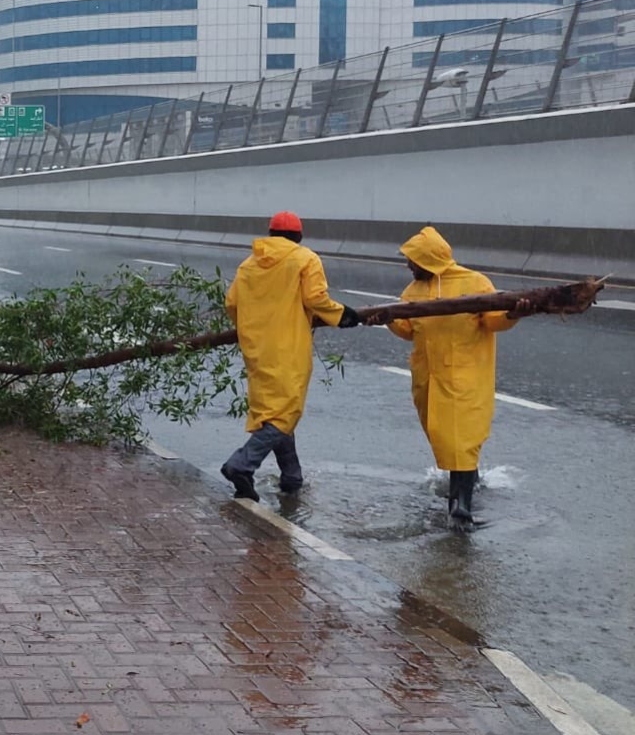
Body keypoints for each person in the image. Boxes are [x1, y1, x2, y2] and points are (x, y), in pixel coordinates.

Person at [365, 226, 531, 530]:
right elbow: (408, 328)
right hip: (428, 378)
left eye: (413, 261)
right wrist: (388, 320)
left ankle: (460, 508)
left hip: (465, 377)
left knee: (459, 439)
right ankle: (471, 482)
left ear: (428, 261)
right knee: (446, 438)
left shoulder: (475, 282)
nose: (408, 266)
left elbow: (493, 321)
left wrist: (513, 313)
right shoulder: (412, 292)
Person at [221, 211, 361, 501]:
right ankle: (242, 464)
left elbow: (232, 303)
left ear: (271, 234)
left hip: (256, 347)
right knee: (285, 412)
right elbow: (315, 298)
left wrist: (252, 328)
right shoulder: (305, 258)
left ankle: (291, 477)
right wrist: (342, 315)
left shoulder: (249, 264)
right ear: (298, 237)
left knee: (270, 410)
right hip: (289, 347)